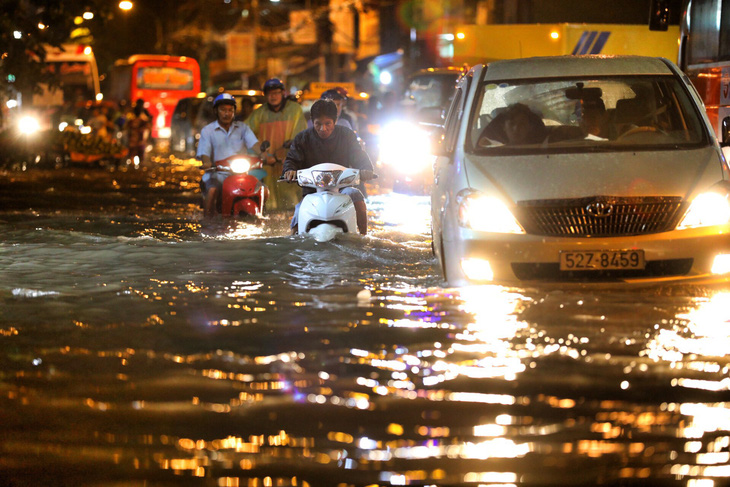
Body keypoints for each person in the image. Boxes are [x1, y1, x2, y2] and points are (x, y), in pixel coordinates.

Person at [282, 99, 374, 235]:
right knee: (299, 212)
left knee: (355, 194)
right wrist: (289, 171)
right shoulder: (302, 138)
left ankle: (363, 236)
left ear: (335, 121)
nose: (322, 128)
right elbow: (292, 159)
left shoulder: (347, 135)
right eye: (318, 124)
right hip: (312, 191)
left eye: (327, 124)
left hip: (342, 189)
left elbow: (358, 155)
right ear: (312, 122)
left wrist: (366, 169)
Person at [245, 78, 307, 211]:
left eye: (276, 93)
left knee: (291, 200)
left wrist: (290, 153)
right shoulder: (259, 113)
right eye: (270, 93)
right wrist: (261, 154)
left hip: (287, 161)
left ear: (283, 93)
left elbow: (300, 134)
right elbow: (246, 132)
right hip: (268, 162)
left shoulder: (295, 110)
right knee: (268, 201)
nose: (273, 96)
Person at [197, 93, 260, 218]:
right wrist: (207, 162)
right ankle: (208, 221)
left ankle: (262, 216)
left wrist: (264, 154)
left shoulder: (243, 128)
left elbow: (255, 144)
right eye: (223, 110)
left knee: (262, 188)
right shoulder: (207, 130)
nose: (227, 113)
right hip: (217, 174)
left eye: (230, 110)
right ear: (216, 111)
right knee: (212, 190)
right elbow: (204, 152)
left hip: (241, 174)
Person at [481, 103, 548, 145]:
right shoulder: (494, 152)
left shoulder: (542, 150)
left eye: (522, 124)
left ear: (529, 127)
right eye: (512, 124)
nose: (516, 129)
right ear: (504, 127)